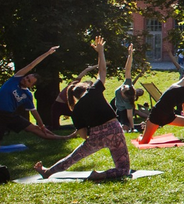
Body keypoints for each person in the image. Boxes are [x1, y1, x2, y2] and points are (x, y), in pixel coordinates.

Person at [34, 37, 134, 181]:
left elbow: (82, 135)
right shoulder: (93, 91)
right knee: (124, 169)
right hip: (114, 131)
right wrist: (100, 51)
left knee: (74, 157)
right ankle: (100, 175)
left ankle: (48, 171)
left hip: (95, 136)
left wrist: (93, 139)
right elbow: (102, 70)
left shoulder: (76, 110)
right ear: (86, 87)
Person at [0, 46, 69, 150]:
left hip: (10, 116)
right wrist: (48, 53)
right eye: (27, 77)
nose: (25, 80)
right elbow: (31, 65)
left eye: (29, 81)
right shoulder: (15, 79)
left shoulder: (27, 95)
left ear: (31, 86)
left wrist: (42, 125)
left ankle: (64, 137)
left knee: (35, 129)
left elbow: (33, 111)